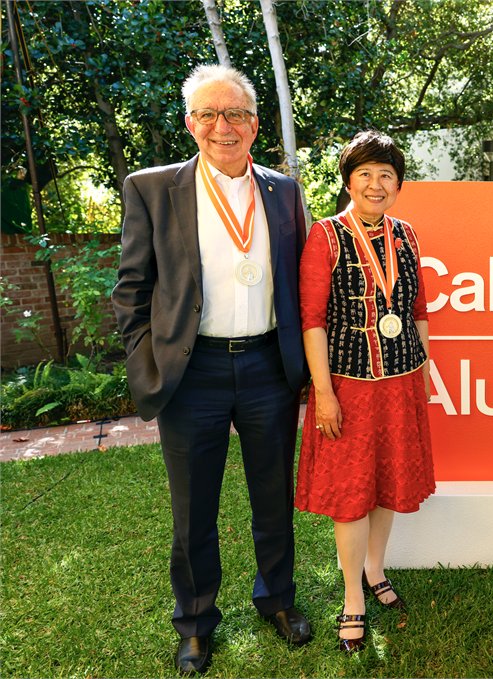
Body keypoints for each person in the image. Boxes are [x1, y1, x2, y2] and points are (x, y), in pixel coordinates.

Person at [111, 64, 311, 675]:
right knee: (193, 508)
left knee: (273, 497)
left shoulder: (284, 191)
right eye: (209, 114)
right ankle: (196, 623)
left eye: (236, 114)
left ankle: (277, 599)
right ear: (190, 122)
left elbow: (300, 280)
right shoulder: (151, 188)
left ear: (255, 125)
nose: (223, 126)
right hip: (190, 373)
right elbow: (131, 289)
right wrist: (148, 361)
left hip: (268, 367)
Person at [294, 130, 434, 653]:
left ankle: (376, 569)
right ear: (349, 182)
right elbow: (312, 320)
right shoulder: (326, 236)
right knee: (351, 496)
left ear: (399, 184)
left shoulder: (407, 235)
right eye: (365, 175)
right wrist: (323, 393)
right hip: (348, 389)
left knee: (388, 484)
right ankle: (353, 595)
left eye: (386, 175)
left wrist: (423, 370)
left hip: (400, 385)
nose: (376, 185)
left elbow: (418, 310)